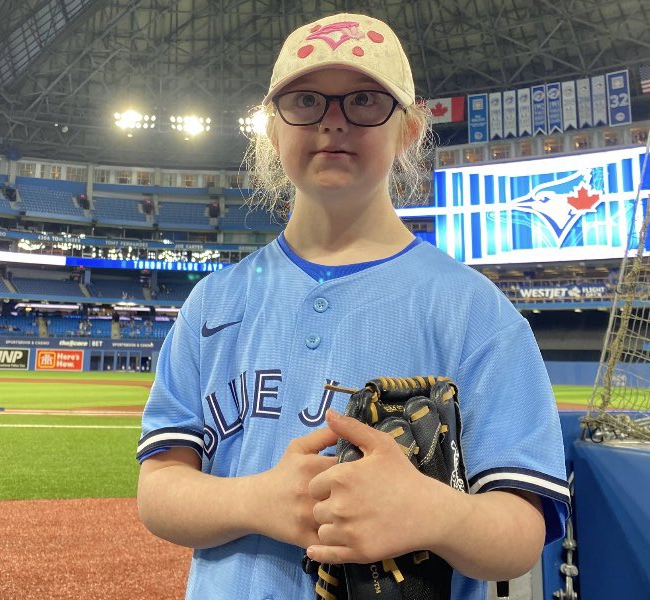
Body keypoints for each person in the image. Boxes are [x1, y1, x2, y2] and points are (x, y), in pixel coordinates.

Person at [136, 12, 569, 600]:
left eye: (364, 101)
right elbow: (158, 491)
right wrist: (255, 500)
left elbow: (521, 533)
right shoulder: (214, 300)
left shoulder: (475, 311)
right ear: (272, 127)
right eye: (306, 101)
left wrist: (434, 513)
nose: (332, 123)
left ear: (409, 130)